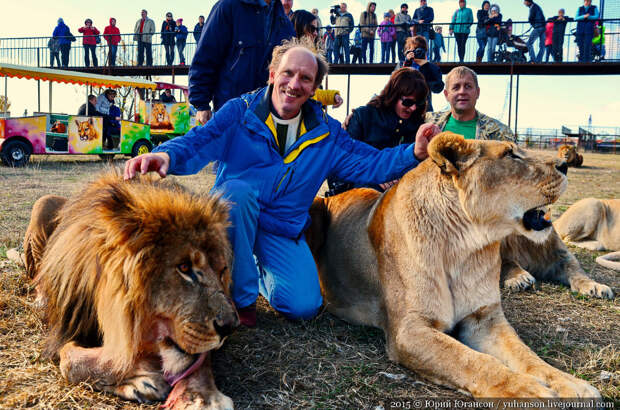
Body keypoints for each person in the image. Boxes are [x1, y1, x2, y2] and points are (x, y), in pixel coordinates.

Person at [123, 38, 436, 327]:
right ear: (272, 74)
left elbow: (370, 162)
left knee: (304, 307)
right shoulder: (240, 112)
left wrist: (414, 152)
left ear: (314, 89)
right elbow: (200, 140)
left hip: (281, 227)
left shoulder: (327, 133)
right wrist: (165, 156)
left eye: (305, 79)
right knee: (237, 191)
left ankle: (258, 271)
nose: (294, 84)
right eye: (288, 73)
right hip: (236, 217)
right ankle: (242, 300)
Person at [188, 0, 295, 125]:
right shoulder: (229, 7)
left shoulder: (285, 23)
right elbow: (206, 55)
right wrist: (201, 104)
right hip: (230, 111)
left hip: (267, 117)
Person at [329, 68, 433, 195]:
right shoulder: (363, 117)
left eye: (419, 103)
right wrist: (377, 179)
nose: (413, 108)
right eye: (408, 102)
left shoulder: (418, 125)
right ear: (394, 95)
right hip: (360, 196)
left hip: (402, 194)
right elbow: (341, 168)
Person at [426, 66, 514, 142]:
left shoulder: (500, 133)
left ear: (477, 92)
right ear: (446, 95)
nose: (462, 92)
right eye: (456, 87)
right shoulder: (429, 123)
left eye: (468, 86)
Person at [398, 36, 444, 112]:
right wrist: (407, 64)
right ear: (407, 51)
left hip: (424, 108)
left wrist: (425, 66)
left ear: (425, 51)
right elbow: (395, 85)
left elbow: (437, 89)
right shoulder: (402, 65)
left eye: (419, 49)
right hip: (404, 108)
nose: (417, 52)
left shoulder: (431, 67)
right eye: (413, 50)